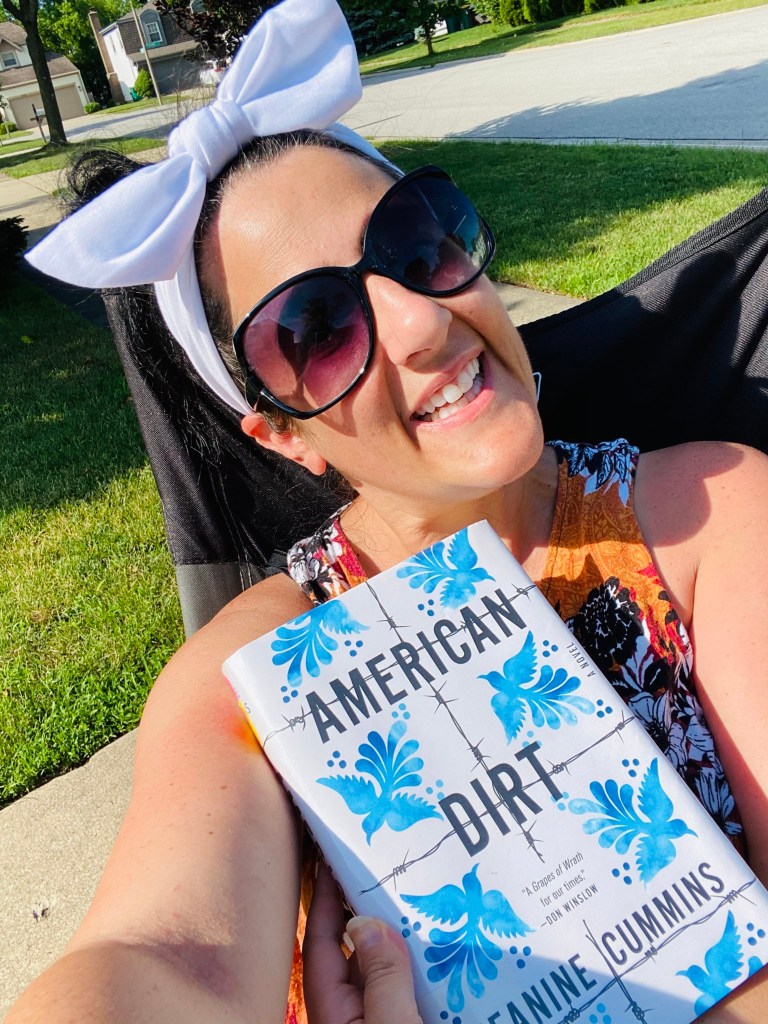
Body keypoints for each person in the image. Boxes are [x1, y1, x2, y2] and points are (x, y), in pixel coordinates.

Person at [9, 0, 768, 1021]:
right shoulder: (257, 677)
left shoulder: (709, 518)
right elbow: (164, 951)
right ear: (285, 436)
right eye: (319, 327)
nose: (423, 322)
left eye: (417, 247)